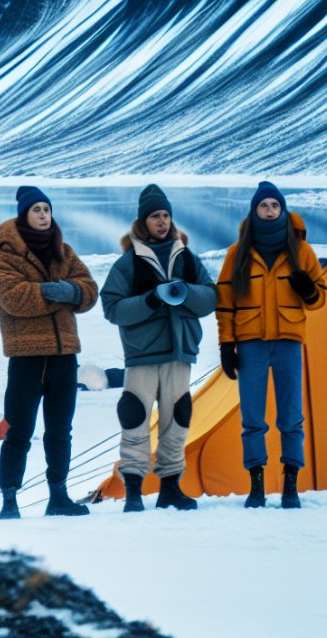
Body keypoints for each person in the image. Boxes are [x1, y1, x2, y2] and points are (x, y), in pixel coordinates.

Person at [98, 185, 216, 512]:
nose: (162, 221)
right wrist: (151, 300)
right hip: (143, 354)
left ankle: (170, 488)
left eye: (166, 215)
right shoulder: (129, 263)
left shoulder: (187, 258)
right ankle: (133, 490)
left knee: (177, 420)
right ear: (143, 221)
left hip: (180, 352)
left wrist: (185, 292)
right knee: (134, 418)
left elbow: (210, 297)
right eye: (155, 216)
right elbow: (111, 307)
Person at [0, 186, 99, 519]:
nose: (42, 215)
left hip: (64, 355)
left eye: (46, 210)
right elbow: (15, 298)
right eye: (36, 210)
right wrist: (59, 294)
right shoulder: (5, 257)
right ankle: (9, 499)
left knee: (59, 429)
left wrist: (73, 291)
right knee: (19, 431)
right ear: (24, 215)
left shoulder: (64, 252)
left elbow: (90, 290)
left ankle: (58, 496)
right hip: (27, 357)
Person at [216, 181, 326, 509]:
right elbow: (224, 301)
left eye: (274, 206)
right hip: (250, 344)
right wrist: (226, 345)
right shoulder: (237, 254)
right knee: (252, 417)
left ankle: (290, 484)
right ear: (254, 211)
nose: (269, 211)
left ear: (282, 209)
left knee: (291, 416)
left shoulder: (301, 251)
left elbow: (319, 299)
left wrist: (308, 289)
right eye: (263, 206)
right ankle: (257, 485)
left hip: (289, 342)